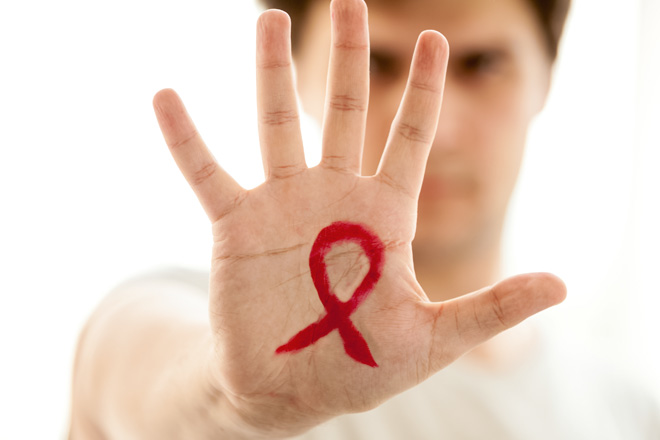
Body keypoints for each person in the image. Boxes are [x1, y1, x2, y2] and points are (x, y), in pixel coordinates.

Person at [68, 0, 659, 438]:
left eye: (482, 64)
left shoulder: (632, 416)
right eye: (377, 62)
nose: (438, 129)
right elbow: (129, 382)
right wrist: (236, 404)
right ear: (299, 72)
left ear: (547, 76)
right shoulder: (198, 328)